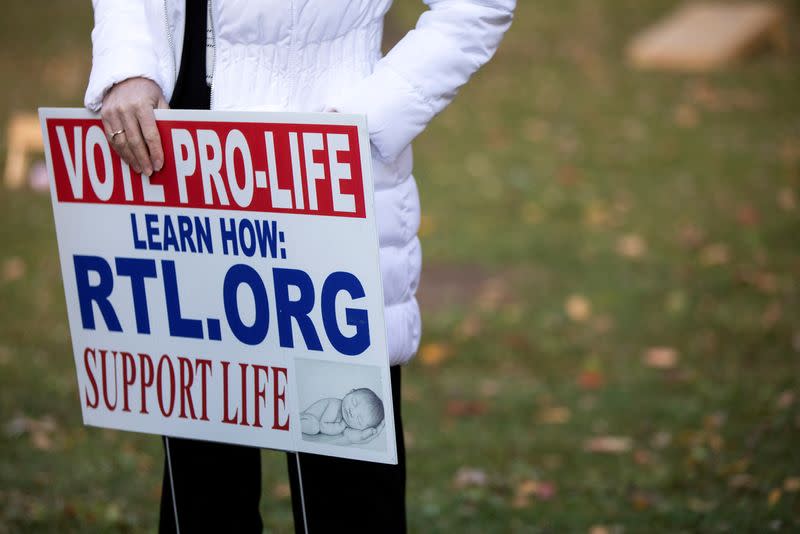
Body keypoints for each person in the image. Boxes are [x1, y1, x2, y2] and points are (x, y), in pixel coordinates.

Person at [85, 0, 515, 532]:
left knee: (346, 484)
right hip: (178, 167)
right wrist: (128, 64)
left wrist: (369, 115)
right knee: (202, 490)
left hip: (322, 171)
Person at [301, 388, 385, 437]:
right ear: (350, 392)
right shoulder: (335, 405)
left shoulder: (346, 423)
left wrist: (363, 435)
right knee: (315, 427)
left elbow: (351, 435)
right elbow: (323, 426)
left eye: (359, 420)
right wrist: (341, 426)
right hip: (308, 417)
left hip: (310, 420)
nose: (352, 412)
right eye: (354, 402)